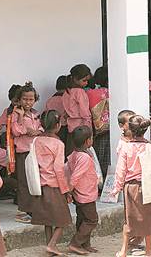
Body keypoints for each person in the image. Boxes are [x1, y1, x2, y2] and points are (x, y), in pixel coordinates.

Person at [112, 115, 151, 257]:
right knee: (148, 219)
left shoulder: (126, 148)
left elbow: (121, 170)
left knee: (128, 219)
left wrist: (116, 188)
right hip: (148, 186)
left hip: (131, 188)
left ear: (130, 129)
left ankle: (123, 251)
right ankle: (149, 251)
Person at [30, 110, 72, 256]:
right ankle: (52, 245)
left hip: (40, 185)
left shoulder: (36, 141)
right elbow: (59, 170)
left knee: (47, 218)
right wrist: (66, 190)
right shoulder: (58, 144)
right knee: (63, 219)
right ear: (58, 125)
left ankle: (50, 244)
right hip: (54, 186)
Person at [10, 82, 42, 223]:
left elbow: (41, 128)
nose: (28, 102)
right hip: (23, 152)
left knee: (33, 180)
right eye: (25, 99)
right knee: (24, 182)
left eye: (31, 99)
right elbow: (16, 131)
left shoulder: (36, 114)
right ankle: (22, 212)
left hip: (34, 151)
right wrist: (22, 119)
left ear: (35, 100)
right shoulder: (16, 114)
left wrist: (37, 131)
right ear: (19, 99)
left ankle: (32, 209)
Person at [66, 126, 100, 255]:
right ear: (87, 141)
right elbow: (75, 177)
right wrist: (68, 191)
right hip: (86, 194)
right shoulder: (84, 158)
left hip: (81, 193)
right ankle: (75, 243)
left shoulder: (75, 154)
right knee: (92, 220)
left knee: (82, 219)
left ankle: (85, 244)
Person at [86, 66, 110, 179]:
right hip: (110, 128)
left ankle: (98, 180)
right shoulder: (111, 91)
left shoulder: (90, 93)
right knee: (108, 156)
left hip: (96, 129)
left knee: (97, 157)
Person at [63, 64, 93, 156]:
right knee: (82, 155)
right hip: (81, 128)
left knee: (72, 155)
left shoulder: (66, 92)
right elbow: (85, 112)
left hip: (70, 128)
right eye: (84, 80)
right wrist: (89, 129)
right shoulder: (80, 92)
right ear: (75, 79)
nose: (86, 83)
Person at [44, 75, 69, 144]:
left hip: (51, 128)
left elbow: (46, 114)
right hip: (64, 128)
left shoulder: (50, 100)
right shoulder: (68, 100)